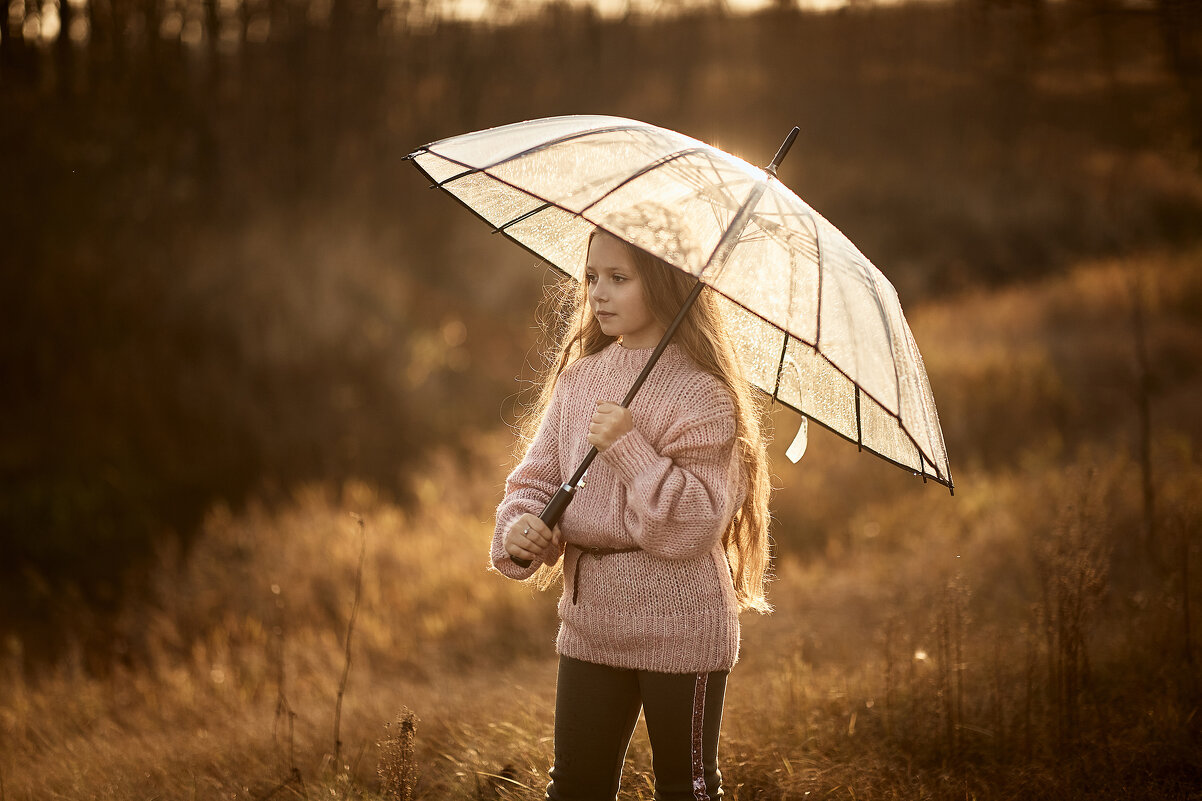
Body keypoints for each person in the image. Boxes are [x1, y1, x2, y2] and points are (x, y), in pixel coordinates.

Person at [490, 226, 772, 801]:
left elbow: (694, 525)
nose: (599, 293)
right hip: (592, 624)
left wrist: (630, 447)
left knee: (685, 790)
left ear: (667, 284)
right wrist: (524, 528)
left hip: (682, 626)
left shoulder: (703, 394)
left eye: (620, 279)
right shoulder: (579, 380)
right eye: (592, 276)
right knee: (575, 787)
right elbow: (534, 482)